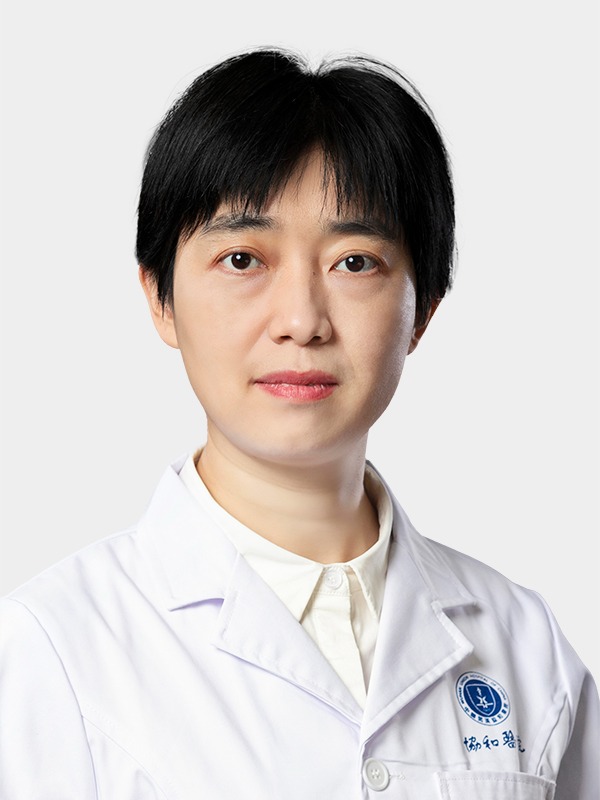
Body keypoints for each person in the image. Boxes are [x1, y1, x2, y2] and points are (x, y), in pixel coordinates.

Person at [0, 48, 597, 800]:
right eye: (242, 259)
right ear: (159, 298)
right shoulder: (52, 648)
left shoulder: (526, 645)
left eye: (355, 262)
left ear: (423, 310)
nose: (301, 320)